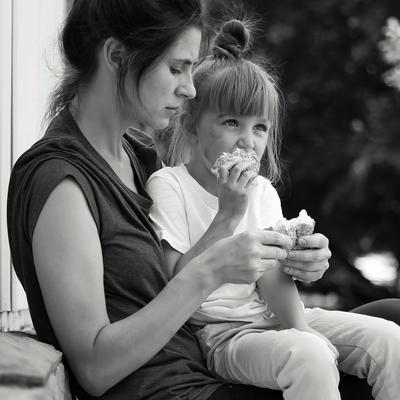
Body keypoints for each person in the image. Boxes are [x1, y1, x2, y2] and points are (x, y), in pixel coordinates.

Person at [5, 1, 399, 399]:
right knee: (319, 354)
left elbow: (252, 276)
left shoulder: (135, 156)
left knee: (390, 320)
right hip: (179, 388)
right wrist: (211, 267)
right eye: (176, 68)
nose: (190, 88)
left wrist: (297, 264)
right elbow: (94, 368)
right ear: (116, 56)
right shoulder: (62, 183)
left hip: (207, 361)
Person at [146, 19, 400, 400]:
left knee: (391, 341)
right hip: (222, 334)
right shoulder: (169, 186)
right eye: (232, 122)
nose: (248, 140)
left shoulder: (262, 191)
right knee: (310, 356)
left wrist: (300, 325)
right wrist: (227, 215)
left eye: (260, 127)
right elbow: (175, 281)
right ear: (192, 125)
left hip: (275, 316)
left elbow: (272, 278)